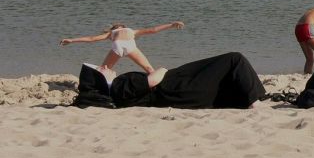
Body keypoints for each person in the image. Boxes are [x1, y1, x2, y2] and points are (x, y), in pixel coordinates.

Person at [74, 52, 265, 109]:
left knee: (222, 79)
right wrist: (161, 69)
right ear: (100, 81)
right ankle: (255, 103)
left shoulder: (116, 92)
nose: (104, 67)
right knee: (234, 59)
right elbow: (153, 80)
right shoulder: (119, 85)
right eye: (100, 69)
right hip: (174, 86)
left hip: (175, 94)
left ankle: (251, 100)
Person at [60, 21, 185, 73]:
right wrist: (171, 25)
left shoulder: (111, 33)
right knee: (149, 68)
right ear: (123, 27)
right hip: (130, 45)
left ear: (114, 28)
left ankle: (100, 86)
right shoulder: (131, 30)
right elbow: (153, 30)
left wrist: (71, 40)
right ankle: (156, 84)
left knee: (104, 70)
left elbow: (91, 39)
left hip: (117, 46)